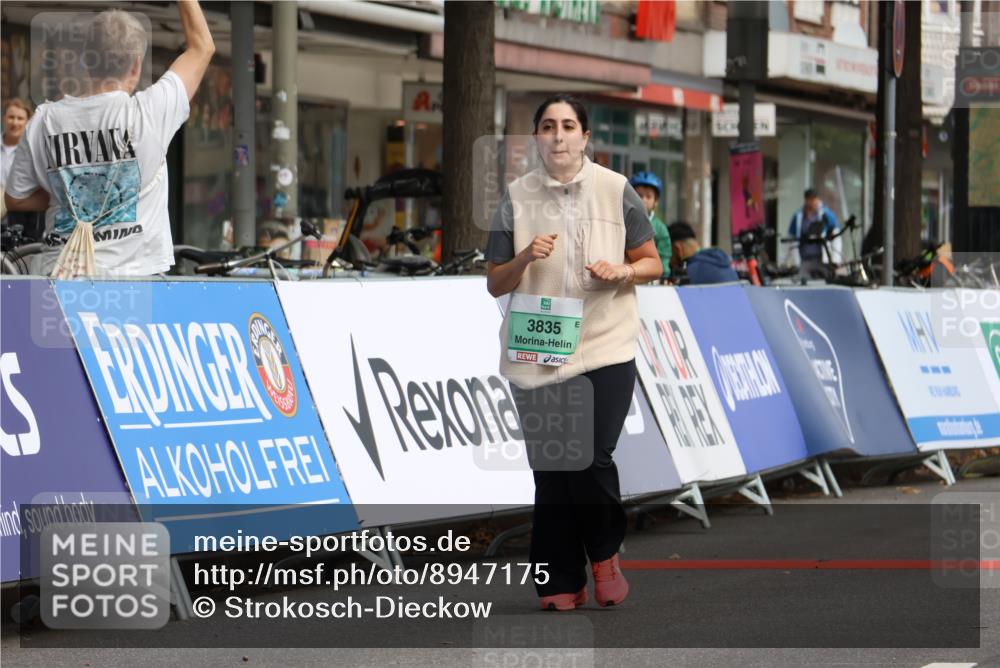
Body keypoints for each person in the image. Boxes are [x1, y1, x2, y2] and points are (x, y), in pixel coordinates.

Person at [485, 93, 663, 611]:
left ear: (585, 137)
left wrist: (623, 271)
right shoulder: (515, 198)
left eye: (568, 126)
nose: (558, 135)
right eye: (547, 126)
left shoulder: (616, 190)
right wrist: (524, 256)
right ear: (537, 137)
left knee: (589, 455)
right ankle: (559, 579)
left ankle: (604, 555)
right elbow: (495, 283)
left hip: (605, 342)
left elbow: (651, 261)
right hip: (537, 345)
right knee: (552, 468)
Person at [4, 2, 214, 277]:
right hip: (131, 280)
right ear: (136, 65)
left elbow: (16, 199)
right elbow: (202, 47)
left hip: (57, 277)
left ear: (86, 60)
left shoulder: (43, 121)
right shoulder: (149, 112)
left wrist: (72, 194)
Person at [787, 187, 839, 280]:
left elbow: (836, 236)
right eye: (809, 199)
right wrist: (793, 261)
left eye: (814, 199)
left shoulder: (826, 214)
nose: (812, 202)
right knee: (803, 281)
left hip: (822, 259)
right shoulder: (798, 216)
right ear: (806, 200)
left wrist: (835, 259)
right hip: (804, 259)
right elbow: (792, 238)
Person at [668, 221, 739, 285]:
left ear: (677, 249)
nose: (669, 261)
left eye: (669, 254)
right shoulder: (727, 266)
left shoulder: (689, 273)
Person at [629, 171, 671, 279]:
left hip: (652, 280)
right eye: (639, 195)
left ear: (655, 201)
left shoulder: (660, 229)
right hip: (628, 275)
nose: (643, 200)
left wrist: (664, 275)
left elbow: (664, 257)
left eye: (648, 196)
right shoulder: (625, 222)